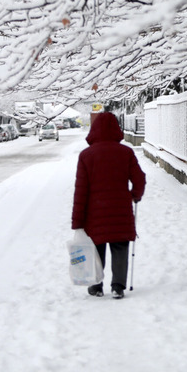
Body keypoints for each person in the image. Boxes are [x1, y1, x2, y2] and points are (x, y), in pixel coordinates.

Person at [71, 112, 146, 299]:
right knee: (120, 246)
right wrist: (135, 195)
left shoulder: (86, 156)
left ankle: (96, 286)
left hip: (94, 212)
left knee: (96, 247)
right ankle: (118, 286)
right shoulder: (126, 152)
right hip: (120, 210)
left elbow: (80, 191)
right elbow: (140, 178)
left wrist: (78, 222)